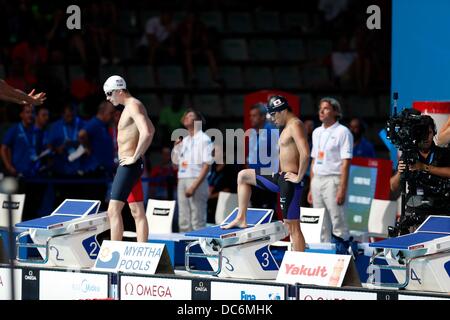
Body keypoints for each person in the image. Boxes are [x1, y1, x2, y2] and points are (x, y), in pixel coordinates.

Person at [222, 95, 310, 252]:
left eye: (273, 116)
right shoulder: (285, 127)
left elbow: (305, 153)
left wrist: (299, 176)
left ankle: (298, 264)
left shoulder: (295, 124)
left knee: (293, 227)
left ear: (281, 111)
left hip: (290, 182)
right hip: (280, 178)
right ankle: (241, 218)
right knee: (243, 176)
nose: (273, 120)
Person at [103, 75, 155, 242]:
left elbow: (147, 132)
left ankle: (113, 254)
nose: (108, 98)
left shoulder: (132, 105)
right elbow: (152, 128)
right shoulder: (133, 106)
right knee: (137, 211)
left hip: (128, 166)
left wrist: (134, 156)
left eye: (110, 93)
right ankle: (142, 251)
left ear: (120, 90)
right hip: (131, 165)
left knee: (113, 210)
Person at [308, 97, 353, 244]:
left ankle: (343, 251)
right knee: (320, 221)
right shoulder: (316, 132)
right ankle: (324, 253)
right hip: (317, 180)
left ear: (335, 111)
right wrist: (310, 186)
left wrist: (342, 188)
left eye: (326, 108)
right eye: (320, 108)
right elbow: (314, 160)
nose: (321, 111)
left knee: (337, 219)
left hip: (333, 179)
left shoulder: (343, 132)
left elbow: (346, 163)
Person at [390, 116, 450, 226]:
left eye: (430, 132)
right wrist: (399, 173)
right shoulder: (408, 155)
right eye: (423, 133)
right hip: (414, 212)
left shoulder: (443, 153)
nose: (426, 137)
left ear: (434, 133)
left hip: (440, 211)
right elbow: (393, 187)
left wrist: (424, 167)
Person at [172, 109, 213, 232]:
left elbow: (207, 165)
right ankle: (183, 247)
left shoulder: (204, 139)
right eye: (185, 115)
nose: (186, 117)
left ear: (198, 121)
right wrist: (176, 147)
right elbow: (175, 165)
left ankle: (198, 248)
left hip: (197, 180)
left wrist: (194, 186)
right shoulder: (184, 140)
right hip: (182, 179)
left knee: (197, 218)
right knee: (183, 218)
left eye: (190, 116)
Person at [247, 102, 278, 210]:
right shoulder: (252, 133)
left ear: (262, 117)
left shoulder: (272, 130)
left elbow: (279, 153)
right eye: (250, 116)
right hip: (254, 176)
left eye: (254, 116)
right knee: (256, 208)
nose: (251, 118)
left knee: (268, 209)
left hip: (267, 176)